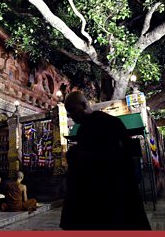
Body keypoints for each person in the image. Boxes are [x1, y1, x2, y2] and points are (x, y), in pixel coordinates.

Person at [60, 91, 151, 230]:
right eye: (69, 113)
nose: (71, 116)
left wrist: (79, 155)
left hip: (111, 192)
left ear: (84, 105)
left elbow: (115, 156)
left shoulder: (108, 123)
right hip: (96, 196)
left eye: (73, 110)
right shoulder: (84, 129)